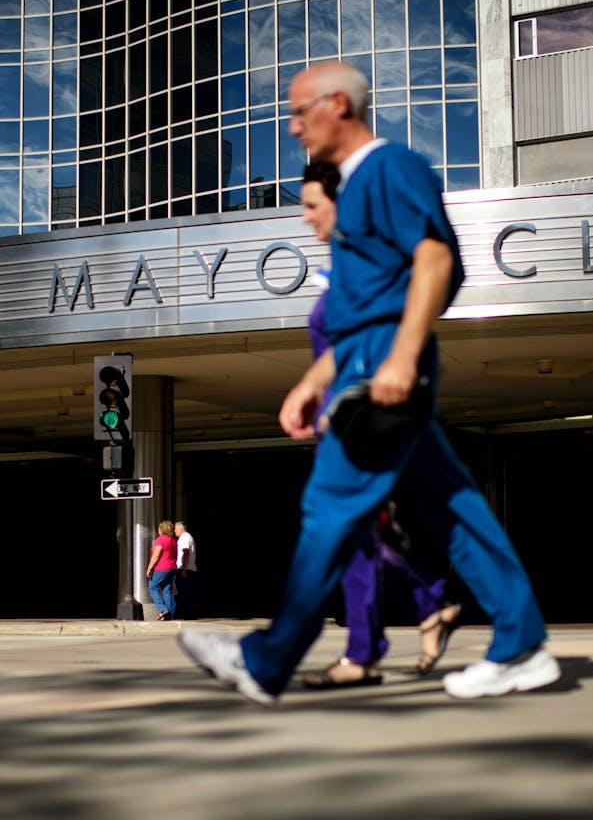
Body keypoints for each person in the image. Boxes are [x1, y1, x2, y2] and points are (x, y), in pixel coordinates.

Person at [178, 60, 559, 703]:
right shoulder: (354, 189)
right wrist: (312, 380)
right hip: (367, 357)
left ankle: (268, 660)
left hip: (385, 361)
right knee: (453, 506)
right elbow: (361, 305)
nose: (293, 126)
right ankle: (521, 644)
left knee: (329, 507)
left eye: (300, 111)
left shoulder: (389, 168)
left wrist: (403, 357)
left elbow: (436, 258)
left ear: (338, 106)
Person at [296, 159, 462, 690]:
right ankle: (431, 603)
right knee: (369, 535)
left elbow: (372, 339)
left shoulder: (369, 271)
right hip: (344, 421)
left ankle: (365, 651)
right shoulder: (344, 270)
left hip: (363, 421)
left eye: (312, 205)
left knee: (352, 536)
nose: (305, 218)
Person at [146, 520, 178, 621]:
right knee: (166, 590)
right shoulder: (173, 541)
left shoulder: (161, 540)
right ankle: (169, 615)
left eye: (159, 528)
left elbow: (156, 555)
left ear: (162, 529)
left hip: (161, 568)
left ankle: (163, 608)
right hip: (172, 568)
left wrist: (149, 568)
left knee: (152, 587)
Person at [174, 520, 198, 619]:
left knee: (185, 592)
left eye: (175, 528)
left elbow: (186, 553)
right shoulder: (187, 537)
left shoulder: (184, 537)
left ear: (180, 528)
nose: (174, 530)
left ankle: (188, 614)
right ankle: (189, 614)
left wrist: (183, 569)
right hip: (188, 568)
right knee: (186, 592)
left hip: (186, 569)